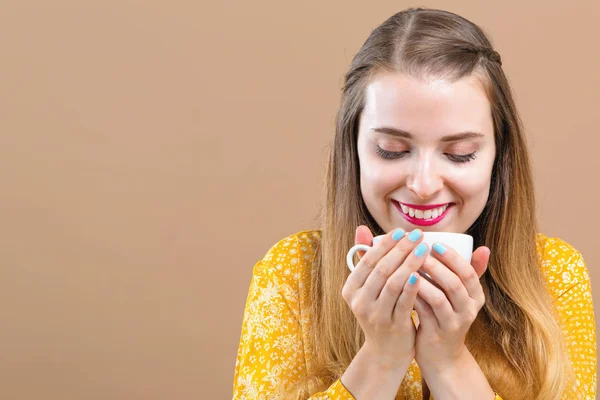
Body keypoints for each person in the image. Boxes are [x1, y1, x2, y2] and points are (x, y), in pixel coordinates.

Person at [232, 7, 596, 400]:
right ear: (353, 151)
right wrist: (381, 358)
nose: (423, 186)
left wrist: (449, 362)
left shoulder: (555, 275)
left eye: (459, 154)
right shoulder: (293, 274)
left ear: (498, 157)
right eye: (391, 151)